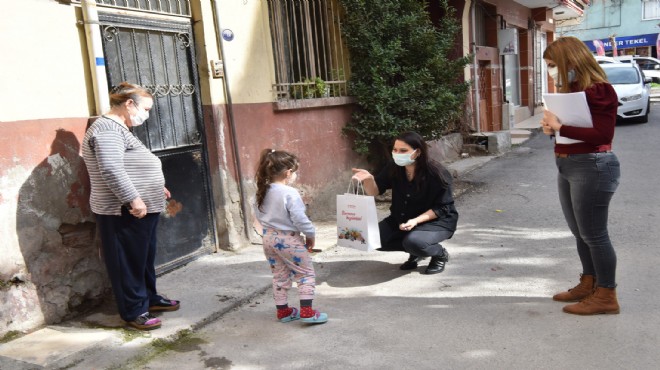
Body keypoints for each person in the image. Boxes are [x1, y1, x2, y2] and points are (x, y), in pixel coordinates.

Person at [82, 82, 180, 330]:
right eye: (145, 108)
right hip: (122, 210)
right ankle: (134, 311)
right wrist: (133, 199)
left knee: (143, 259)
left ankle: (149, 298)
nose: (146, 114)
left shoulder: (117, 127)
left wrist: (156, 187)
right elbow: (111, 168)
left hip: (142, 208)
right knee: (126, 262)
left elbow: (129, 164)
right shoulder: (106, 129)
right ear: (129, 103)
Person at [541, 36, 621, 315]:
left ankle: (607, 295)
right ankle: (589, 283)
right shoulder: (571, 91)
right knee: (580, 232)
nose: (551, 70)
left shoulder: (600, 90)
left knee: (594, 234)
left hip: (593, 165)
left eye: (553, 64)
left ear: (570, 61)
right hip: (569, 164)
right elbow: (568, 130)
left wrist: (560, 126)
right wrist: (552, 130)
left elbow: (602, 134)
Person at [352, 131, 458, 274]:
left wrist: (415, 221)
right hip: (401, 219)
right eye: (395, 150)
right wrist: (368, 179)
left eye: (403, 150)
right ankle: (416, 251)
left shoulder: (436, 173)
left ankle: (439, 254)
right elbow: (374, 192)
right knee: (371, 239)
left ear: (417, 152)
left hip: (436, 222)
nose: (397, 153)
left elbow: (442, 207)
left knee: (414, 242)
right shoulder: (394, 168)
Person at [253, 149, 328, 324]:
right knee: (305, 274)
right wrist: (311, 234)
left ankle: (284, 312)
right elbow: (300, 219)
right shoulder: (289, 193)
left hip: (268, 239)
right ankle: (308, 312)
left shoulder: (260, 192)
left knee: (279, 275)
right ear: (288, 173)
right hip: (289, 240)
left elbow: (259, 215)